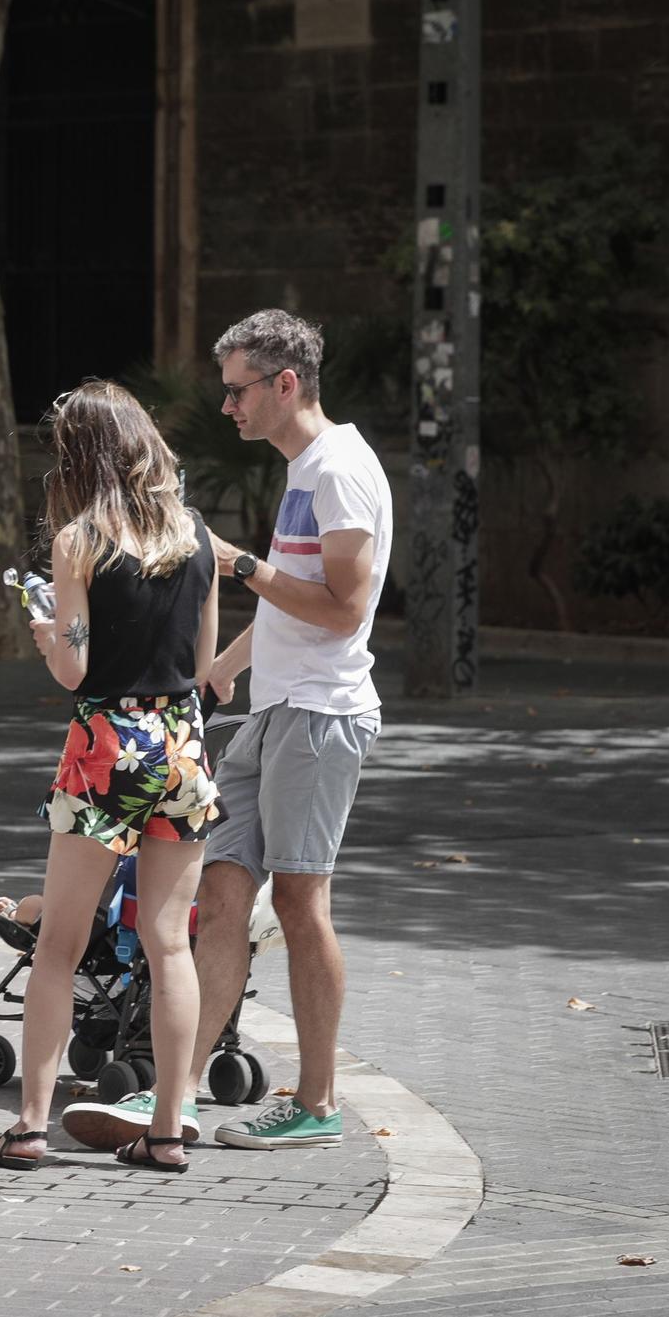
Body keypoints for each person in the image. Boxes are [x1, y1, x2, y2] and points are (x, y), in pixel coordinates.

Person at [0, 380, 220, 1174]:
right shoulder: (198, 536)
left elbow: (76, 671)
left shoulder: (80, 540)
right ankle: (170, 1129)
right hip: (181, 743)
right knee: (169, 944)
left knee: (60, 946)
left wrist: (47, 634)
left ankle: (30, 1126)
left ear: (81, 457)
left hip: (106, 743)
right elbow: (204, 666)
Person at [191, 309, 391, 1151]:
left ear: (284, 384)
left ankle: (316, 1101)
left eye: (238, 390)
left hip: (321, 714)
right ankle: (175, 1084)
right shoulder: (307, 467)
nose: (227, 406)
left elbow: (343, 614)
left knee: (302, 903)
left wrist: (236, 560)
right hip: (273, 708)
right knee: (221, 886)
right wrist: (229, 663)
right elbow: (292, 602)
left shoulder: (339, 469)